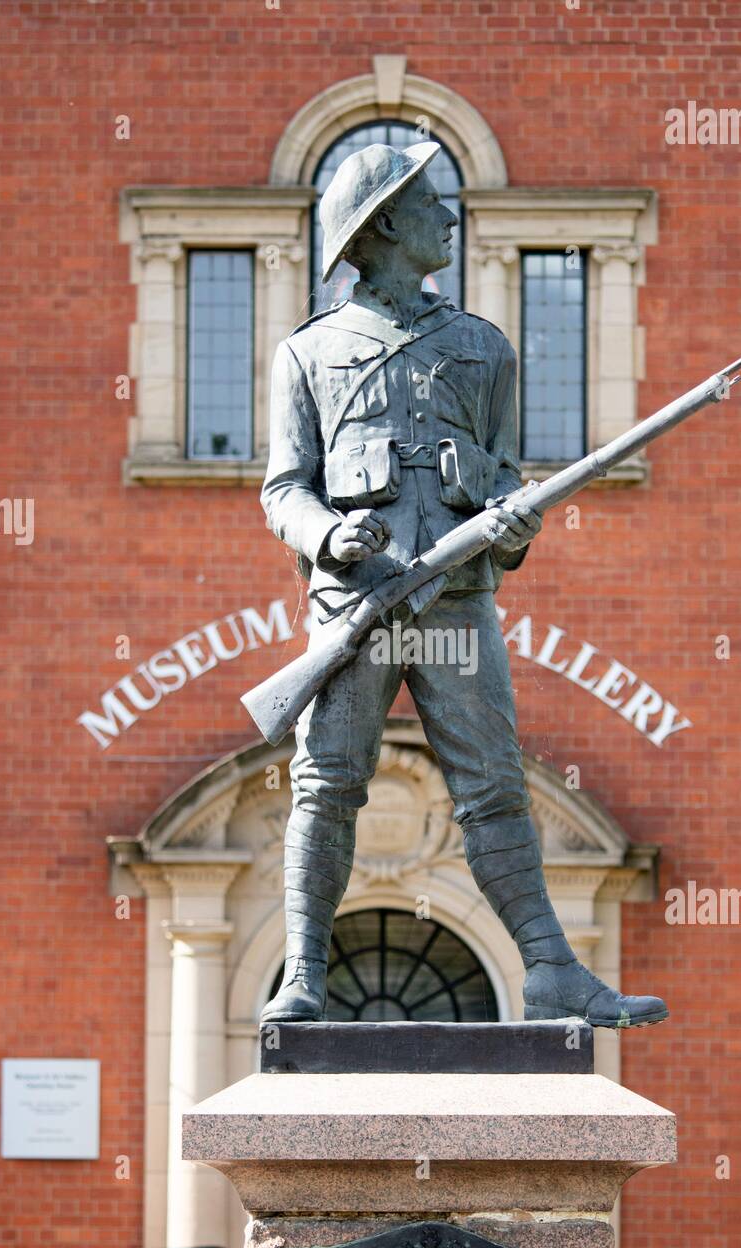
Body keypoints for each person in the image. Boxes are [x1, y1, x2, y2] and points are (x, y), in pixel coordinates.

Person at [259, 140, 668, 1030]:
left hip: (456, 604)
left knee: (494, 789)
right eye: (429, 204)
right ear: (381, 229)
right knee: (326, 785)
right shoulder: (309, 354)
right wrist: (332, 532)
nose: (448, 216)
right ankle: (304, 976)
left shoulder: (484, 350)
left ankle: (554, 972)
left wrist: (517, 524)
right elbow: (284, 488)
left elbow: (504, 479)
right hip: (358, 609)